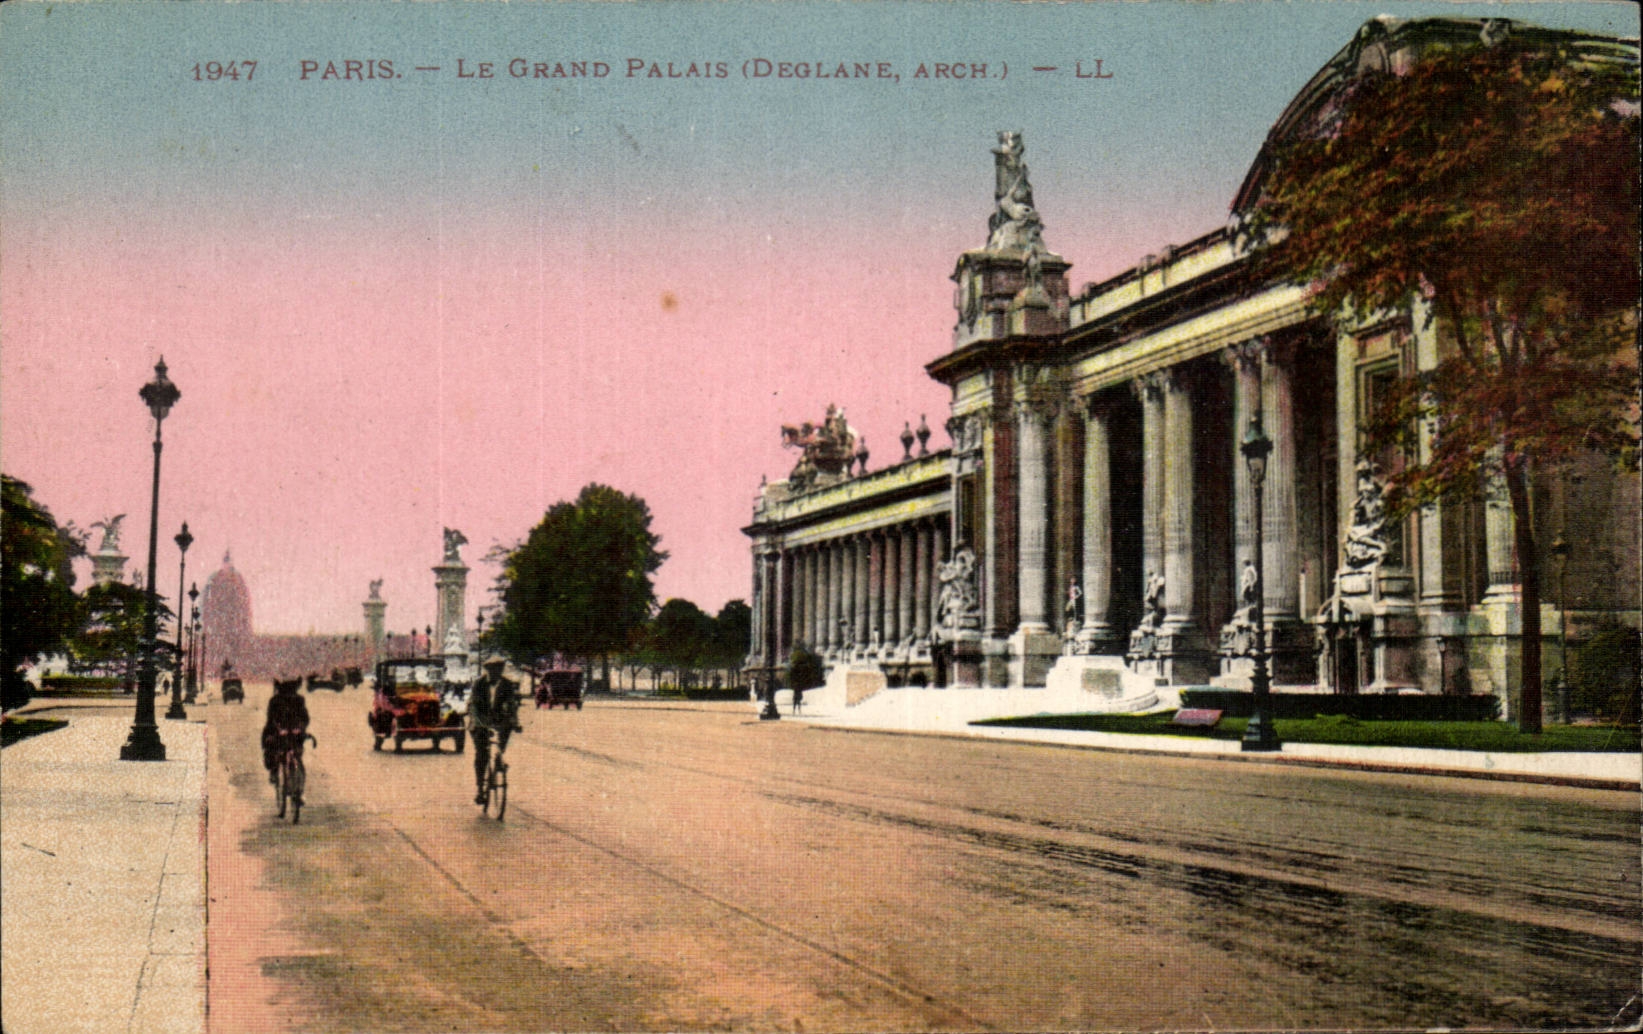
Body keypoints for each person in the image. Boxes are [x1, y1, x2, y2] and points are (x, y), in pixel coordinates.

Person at [469, 657, 520, 805]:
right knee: (481, 754)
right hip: (481, 719)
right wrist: (477, 722)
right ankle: (480, 789)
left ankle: (499, 757)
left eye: (499, 669)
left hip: (498, 719)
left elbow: (512, 705)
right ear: (487, 670)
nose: (495, 672)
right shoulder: (479, 684)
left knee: (506, 728)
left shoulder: (507, 684)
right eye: (492, 669)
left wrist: (515, 721)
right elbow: (473, 706)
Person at [262, 677, 310, 784]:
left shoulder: (296, 700)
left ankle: (278, 774)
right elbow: (271, 719)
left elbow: (304, 718)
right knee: (273, 751)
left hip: (293, 732)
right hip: (281, 732)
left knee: (297, 756)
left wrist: (301, 728)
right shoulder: (278, 700)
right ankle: (275, 772)